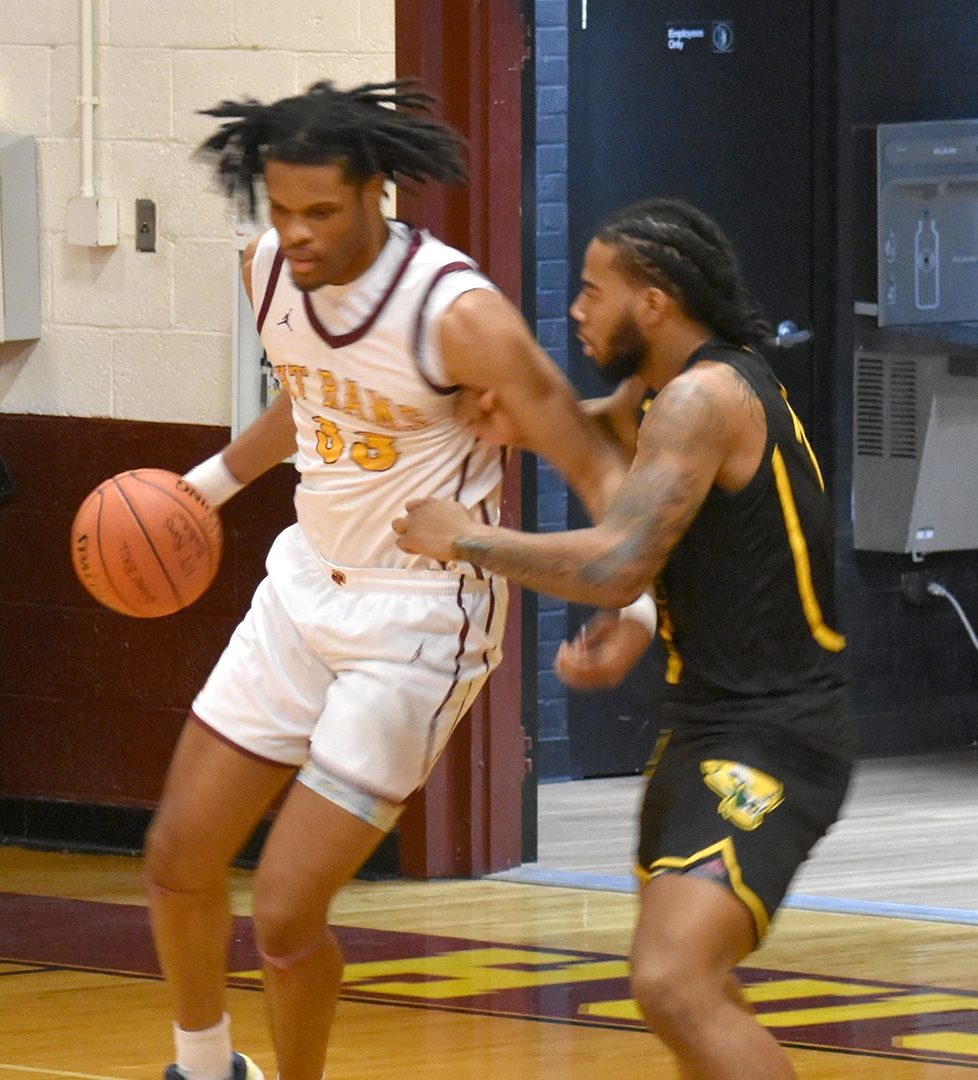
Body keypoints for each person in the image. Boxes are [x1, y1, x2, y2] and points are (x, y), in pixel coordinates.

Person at [143, 81, 625, 1080]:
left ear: (377, 193)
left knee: (284, 913)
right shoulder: (268, 269)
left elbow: (590, 460)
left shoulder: (458, 315)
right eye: (283, 208)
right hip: (300, 589)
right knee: (178, 858)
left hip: (417, 621)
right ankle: (204, 1069)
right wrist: (208, 486)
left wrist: (638, 596)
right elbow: (311, 397)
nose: (298, 233)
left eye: (321, 211)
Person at [393, 197, 854, 1080]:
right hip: (705, 725)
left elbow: (615, 566)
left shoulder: (703, 399)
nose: (576, 309)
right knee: (697, 993)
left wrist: (466, 539)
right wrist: (517, 418)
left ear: (654, 301)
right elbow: (602, 425)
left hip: (777, 736)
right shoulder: (674, 391)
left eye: (592, 290)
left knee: (673, 982)